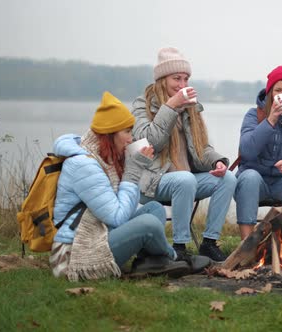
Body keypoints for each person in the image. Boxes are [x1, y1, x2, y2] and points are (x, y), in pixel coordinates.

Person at [50, 91, 194, 281]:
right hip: (74, 254)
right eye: (127, 132)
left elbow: (123, 211)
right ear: (109, 135)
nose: (131, 139)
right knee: (148, 224)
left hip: (101, 233)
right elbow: (117, 218)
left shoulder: (104, 158)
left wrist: (132, 166)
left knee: (154, 210)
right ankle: (172, 257)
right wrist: (133, 171)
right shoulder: (84, 165)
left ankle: (151, 261)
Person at [131, 47, 236, 262]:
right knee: (185, 179)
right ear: (162, 79)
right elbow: (150, 141)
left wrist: (217, 161)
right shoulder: (142, 104)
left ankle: (209, 243)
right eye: (176, 78)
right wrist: (171, 107)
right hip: (152, 181)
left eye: (186, 79)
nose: (182, 85)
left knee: (228, 178)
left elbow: (201, 148)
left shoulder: (191, 107)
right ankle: (180, 246)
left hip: (185, 179)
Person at [234, 66, 282, 241]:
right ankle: (246, 245)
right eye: (278, 90)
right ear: (270, 92)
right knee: (248, 177)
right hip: (256, 183)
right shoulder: (254, 115)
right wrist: (271, 120)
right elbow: (247, 152)